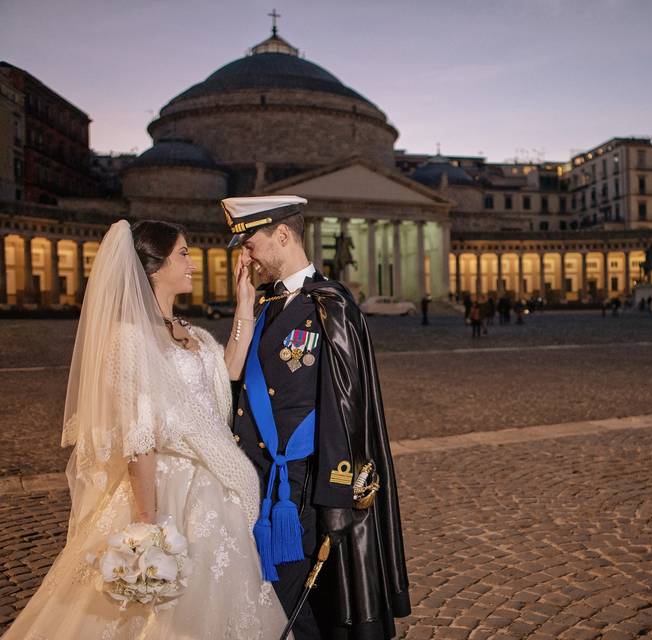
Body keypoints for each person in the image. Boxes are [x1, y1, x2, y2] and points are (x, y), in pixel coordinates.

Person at [3, 220, 289, 639]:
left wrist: (245, 302)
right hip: (165, 496)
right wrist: (147, 526)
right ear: (154, 267)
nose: (193, 264)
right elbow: (140, 440)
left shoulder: (187, 334)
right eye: (184, 254)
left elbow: (226, 369)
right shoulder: (130, 341)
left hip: (212, 489)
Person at [224, 196, 410, 639]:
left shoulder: (331, 307)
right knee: (279, 606)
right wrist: (244, 309)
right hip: (260, 485)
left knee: (294, 610)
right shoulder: (267, 306)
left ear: (282, 235)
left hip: (303, 491)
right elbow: (234, 385)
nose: (245, 257)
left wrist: (336, 499)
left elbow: (344, 412)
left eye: (250, 244)